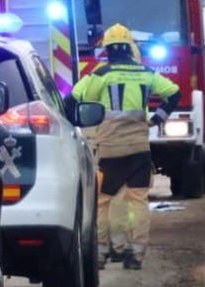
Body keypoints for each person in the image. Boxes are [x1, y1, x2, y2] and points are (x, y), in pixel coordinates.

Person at [70, 24, 180, 270]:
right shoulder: (146, 73)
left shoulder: (102, 74)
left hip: (111, 148)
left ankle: (102, 253)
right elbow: (174, 93)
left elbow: (79, 98)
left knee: (103, 201)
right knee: (138, 201)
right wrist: (158, 119)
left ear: (107, 49)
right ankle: (136, 254)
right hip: (140, 148)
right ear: (130, 47)